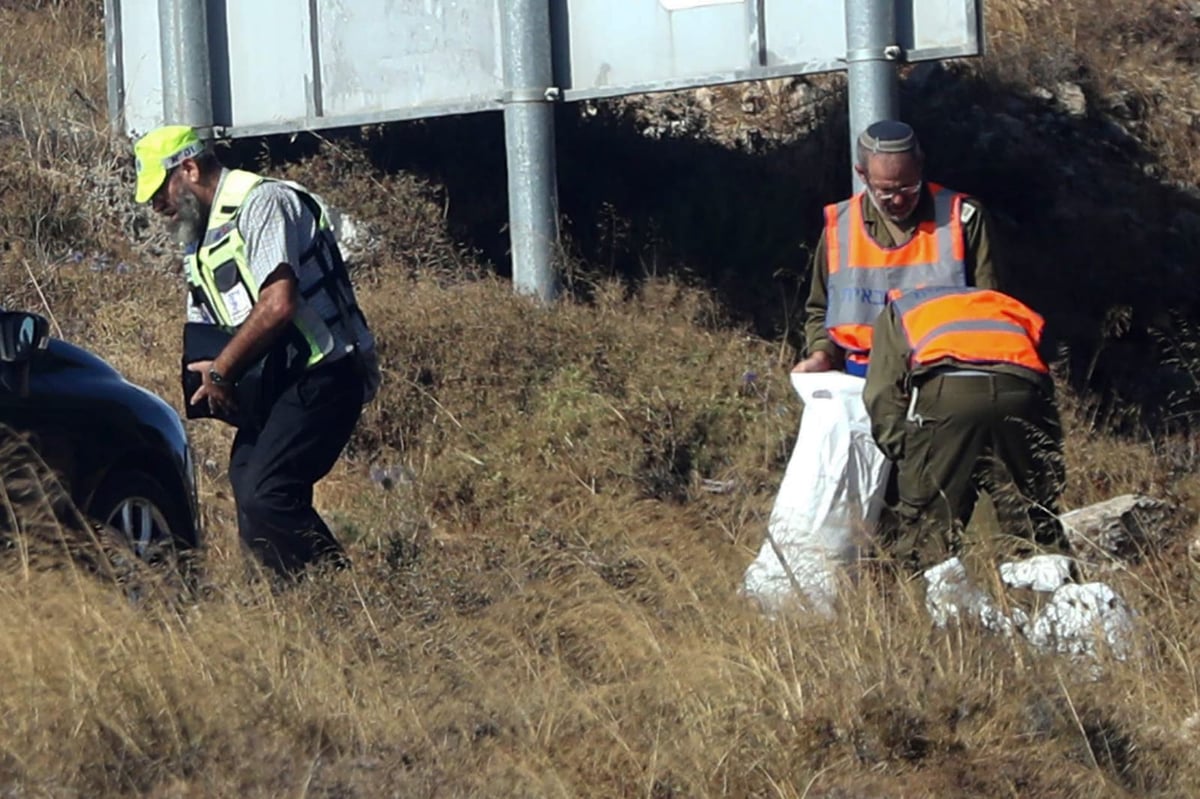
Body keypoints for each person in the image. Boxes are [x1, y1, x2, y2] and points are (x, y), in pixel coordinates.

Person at [133, 124, 380, 580]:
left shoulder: (263, 202)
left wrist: (224, 370)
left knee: (269, 491)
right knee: (250, 487)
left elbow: (278, 304)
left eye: (158, 191)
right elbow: (209, 320)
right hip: (275, 380)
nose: (156, 206)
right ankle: (291, 605)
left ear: (188, 168)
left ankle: (342, 596)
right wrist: (204, 373)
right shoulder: (199, 236)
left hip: (324, 374)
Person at [863, 285, 1071, 574]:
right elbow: (1046, 384)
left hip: (949, 394)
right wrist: (1050, 464)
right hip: (1021, 394)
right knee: (1033, 522)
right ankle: (1055, 607)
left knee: (928, 530)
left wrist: (906, 451)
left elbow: (881, 392)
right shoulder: (1007, 303)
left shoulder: (900, 308)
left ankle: (931, 612)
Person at [793, 120, 1002, 376]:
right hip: (861, 374)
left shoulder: (963, 218)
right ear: (862, 175)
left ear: (921, 165)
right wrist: (821, 355)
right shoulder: (841, 227)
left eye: (909, 187)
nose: (899, 199)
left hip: (944, 372)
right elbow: (821, 310)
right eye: (886, 191)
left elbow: (992, 306)